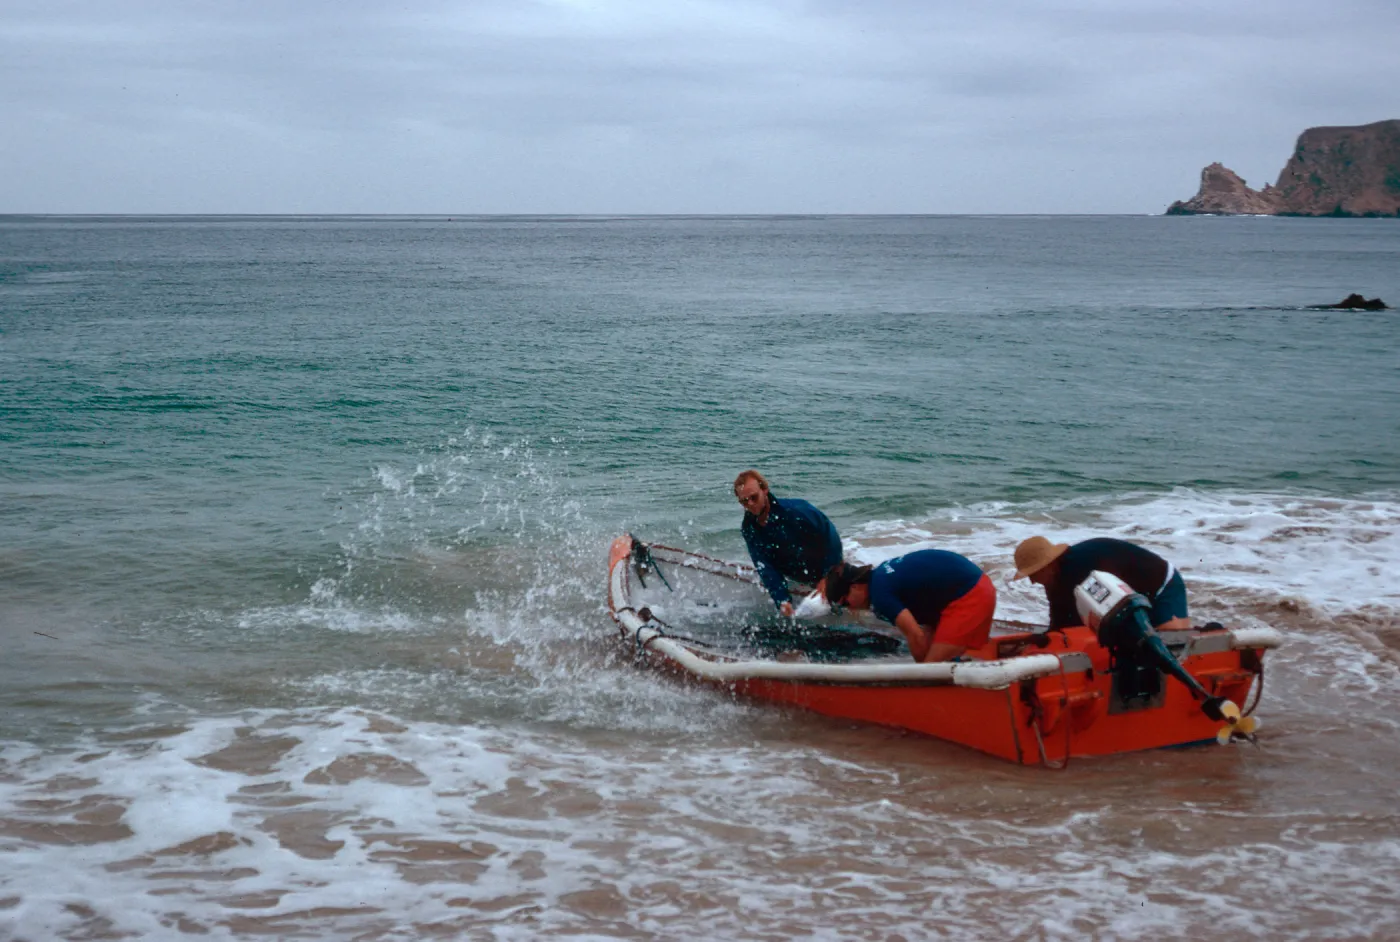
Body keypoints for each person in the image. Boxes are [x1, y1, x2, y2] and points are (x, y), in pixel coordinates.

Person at [822, 550, 996, 663]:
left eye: (845, 602)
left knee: (930, 672)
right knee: (937, 654)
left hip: (970, 596)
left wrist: (919, 673)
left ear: (855, 586)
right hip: (975, 587)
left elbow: (915, 635)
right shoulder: (881, 575)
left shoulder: (880, 595)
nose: (849, 608)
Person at [1012, 535, 1190, 632]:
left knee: (1172, 641)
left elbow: (1086, 619)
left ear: (1049, 565)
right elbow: (1060, 623)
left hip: (1163, 584)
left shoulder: (1082, 569)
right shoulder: (1056, 578)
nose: (1032, 581)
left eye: (1033, 573)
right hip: (1134, 595)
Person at [734, 469, 843, 616]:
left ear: (765, 490)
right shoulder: (749, 528)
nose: (750, 504)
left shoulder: (797, 511)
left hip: (825, 565)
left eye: (754, 497)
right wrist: (782, 600)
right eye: (744, 501)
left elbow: (830, 536)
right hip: (796, 574)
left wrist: (828, 577)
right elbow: (764, 565)